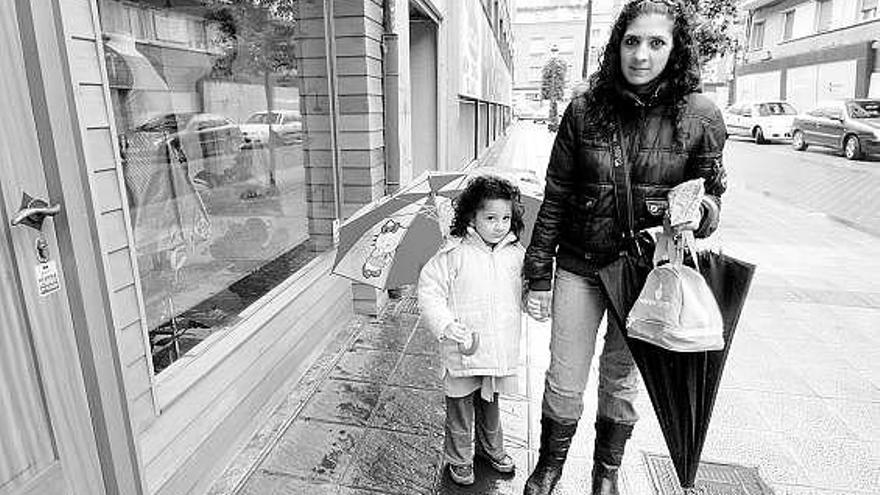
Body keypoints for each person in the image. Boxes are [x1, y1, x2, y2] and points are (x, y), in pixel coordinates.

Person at [522, 1, 728, 494]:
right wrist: (538, 275)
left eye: (656, 43)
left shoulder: (700, 115)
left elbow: (714, 195)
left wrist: (701, 214)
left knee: (621, 379)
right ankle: (550, 466)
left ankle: (606, 472)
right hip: (580, 264)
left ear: (675, 50)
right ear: (618, 44)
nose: (641, 54)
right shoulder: (584, 109)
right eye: (632, 40)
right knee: (564, 377)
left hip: (645, 272)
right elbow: (555, 198)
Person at [418, 175, 525, 486]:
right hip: (462, 348)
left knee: (491, 404)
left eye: (506, 218)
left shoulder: (516, 255)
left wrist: (534, 294)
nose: (499, 225)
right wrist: (446, 324)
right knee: (461, 408)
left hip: (498, 346)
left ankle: (492, 449)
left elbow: (525, 289)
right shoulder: (452, 254)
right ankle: (460, 458)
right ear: (471, 217)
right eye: (490, 218)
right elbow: (430, 292)